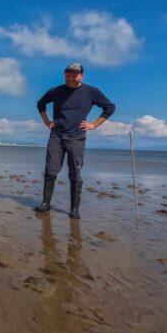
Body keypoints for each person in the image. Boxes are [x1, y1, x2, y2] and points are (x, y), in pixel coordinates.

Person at [34, 62, 116, 219]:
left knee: (75, 173)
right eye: (67, 75)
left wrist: (94, 125)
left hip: (77, 138)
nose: (70, 78)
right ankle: (45, 203)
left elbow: (110, 108)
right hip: (56, 136)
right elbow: (40, 103)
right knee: (50, 170)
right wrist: (46, 121)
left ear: (81, 76)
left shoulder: (91, 92)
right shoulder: (56, 91)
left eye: (73, 75)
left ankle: (74, 209)